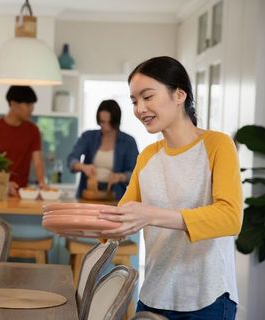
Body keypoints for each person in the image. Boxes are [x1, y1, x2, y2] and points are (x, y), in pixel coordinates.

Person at [98, 56, 242, 319]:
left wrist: (151, 215)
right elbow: (123, 217)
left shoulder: (217, 145)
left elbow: (230, 218)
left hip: (206, 298)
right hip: (155, 294)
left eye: (147, 97)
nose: (140, 108)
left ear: (179, 95)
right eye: (134, 101)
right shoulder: (148, 156)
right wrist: (84, 221)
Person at [0, 85, 47, 197]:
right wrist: (4, 184)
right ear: (13, 104)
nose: (31, 109)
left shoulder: (33, 130)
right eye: (28, 104)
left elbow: (38, 161)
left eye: (32, 105)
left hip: (22, 193)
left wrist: (42, 183)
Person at [67, 99, 139, 200]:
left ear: (115, 121)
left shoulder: (128, 142)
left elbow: (135, 174)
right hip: (88, 193)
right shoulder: (88, 136)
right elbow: (71, 159)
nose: (104, 126)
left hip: (116, 195)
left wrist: (120, 177)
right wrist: (83, 167)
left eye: (108, 122)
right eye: (101, 122)